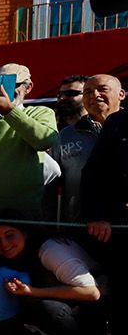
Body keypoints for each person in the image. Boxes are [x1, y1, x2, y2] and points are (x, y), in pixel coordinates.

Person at [0, 222, 103, 335]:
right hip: (50, 309)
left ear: (26, 234)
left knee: (46, 307)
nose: (4, 244)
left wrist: (33, 291)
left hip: (89, 312)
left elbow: (92, 293)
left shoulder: (51, 250)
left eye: (10, 236)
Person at [82, 74, 128, 335]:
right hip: (122, 228)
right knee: (123, 297)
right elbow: (93, 174)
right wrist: (97, 215)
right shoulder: (118, 124)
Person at [0, 63, 56, 220]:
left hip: (28, 214)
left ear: (28, 88)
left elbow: (45, 140)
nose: (2, 90)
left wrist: (9, 111)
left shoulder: (40, 112)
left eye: (11, 84)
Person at [53, 73, 119, 223]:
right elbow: (54, 183)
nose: (95, 95)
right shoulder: (64, 136)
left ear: (121, 94)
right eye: (88, 92)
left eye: (102, 89)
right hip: (80, 225)